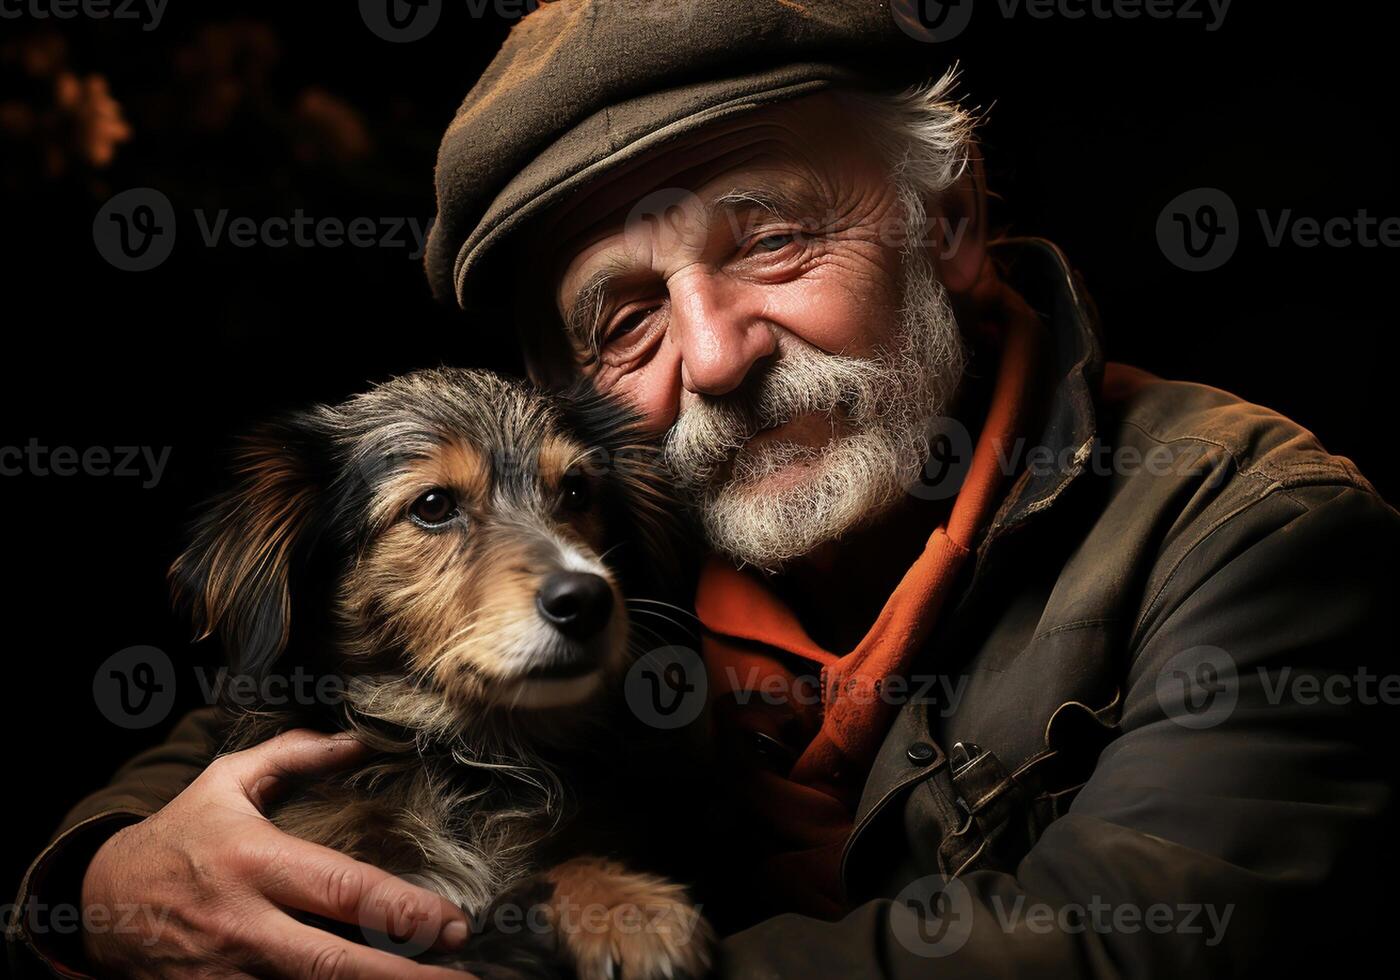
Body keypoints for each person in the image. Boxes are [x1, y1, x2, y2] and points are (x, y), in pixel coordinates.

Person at [11, 2, 1398, 976]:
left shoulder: (1249, 527)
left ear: (950, 216)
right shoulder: (640, 537)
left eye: (774, 238)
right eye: (627, 320)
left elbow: (1124, 943)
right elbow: (267, 713)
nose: (719, 357)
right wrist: (97, 881)